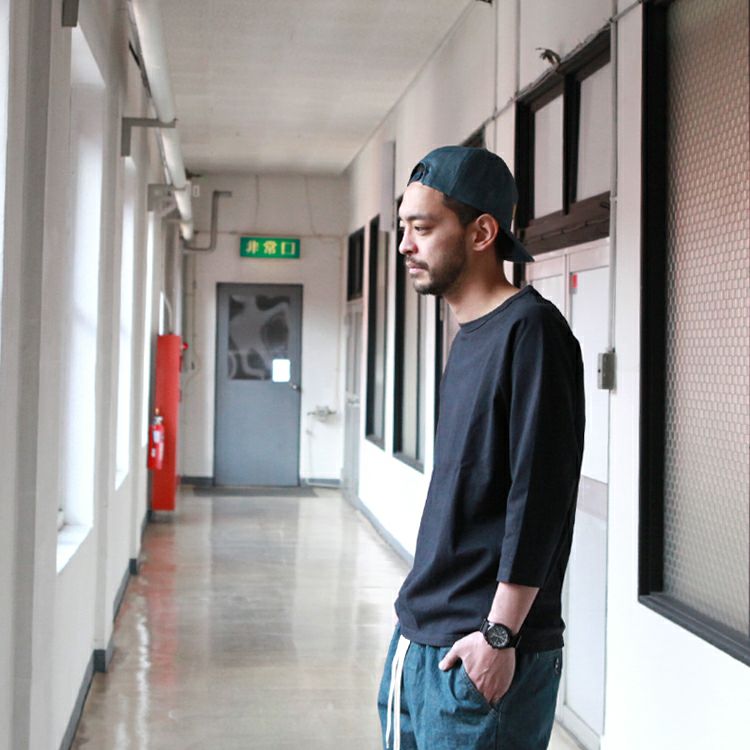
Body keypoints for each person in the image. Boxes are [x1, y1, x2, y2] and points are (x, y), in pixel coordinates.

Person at [377, 146, 585, 750]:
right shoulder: (469, 336)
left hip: (481, 649)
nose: (405, 246)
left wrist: (499, 635)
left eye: (422, 228)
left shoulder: (532, 332)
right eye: (402, 229)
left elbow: (539, 496)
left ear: (481, 233)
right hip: (422, 635)